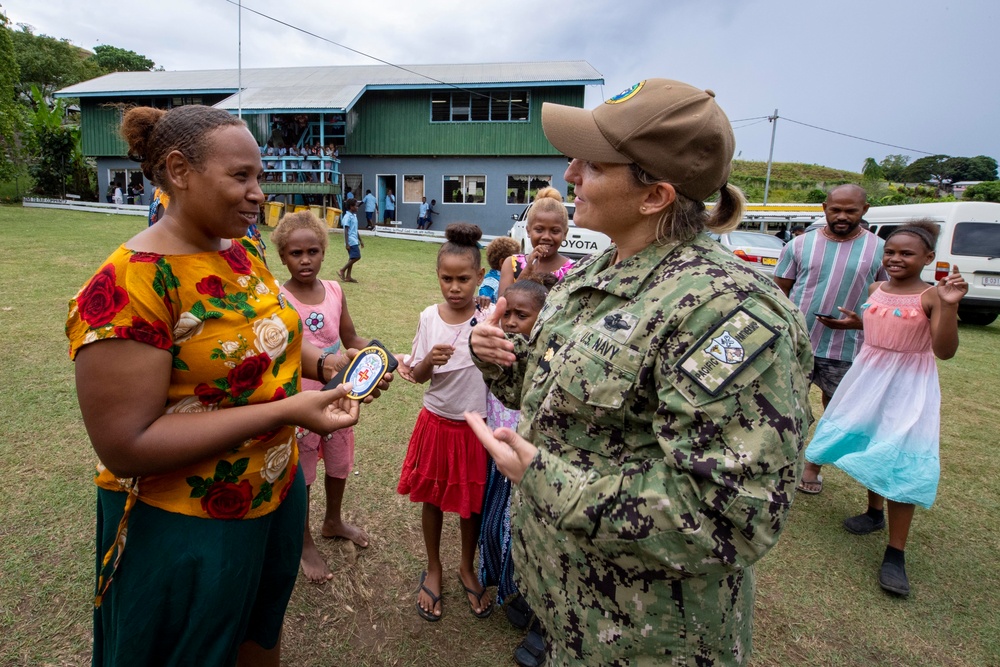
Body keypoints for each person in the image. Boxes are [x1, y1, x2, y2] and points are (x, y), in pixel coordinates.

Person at [465, 78, 813, 665]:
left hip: (646, 635)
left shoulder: (725, 311)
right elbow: (562, 394)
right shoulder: (596, 271)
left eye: (593, 164)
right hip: (569, 606)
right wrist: (498, 354)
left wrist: (544, 479)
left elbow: (727, 513)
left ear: (654, 196)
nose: (571, 172)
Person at [67, 104, 385, 666]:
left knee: (258, 633)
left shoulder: (241, 251)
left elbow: (268, 339)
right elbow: (125, 444)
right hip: (187, 524)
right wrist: (284, 414)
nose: (258, 193)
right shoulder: (126, 285)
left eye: (258, 177)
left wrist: (331, 366)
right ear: (180, 171)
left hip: (275, 495)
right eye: (241, 177)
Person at [804, 221, 966, 597]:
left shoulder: (931, 296)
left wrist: (950, 306)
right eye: (890, 252)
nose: (895, 259)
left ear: (928, 258)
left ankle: (896, 554)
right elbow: (884, 324)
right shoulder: (876, 289)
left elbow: (944, 349)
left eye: (906, 253)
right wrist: (855, 323)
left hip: (907, 383)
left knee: (900, 457)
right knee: (867, 445)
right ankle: (874, 513)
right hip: (867, 375)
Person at [397, 223, 493, 622]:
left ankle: (465, 566)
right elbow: (417, 377)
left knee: (471, 506)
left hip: (476, 428)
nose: (455, 287)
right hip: (437, 422)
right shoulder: (428, 317)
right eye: (446, 278)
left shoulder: (489, 319)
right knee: (433, 500)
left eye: (464, 279)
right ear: (437, 276)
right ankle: (434, 567)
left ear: (480, 277)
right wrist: (426, 362)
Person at [273, 211, 372, 584]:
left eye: (312, 251)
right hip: (300, 400)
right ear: (283, 256)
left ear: (323, 252)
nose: (305, 260)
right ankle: (304, 541)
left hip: (340, 396)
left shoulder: (334, 290)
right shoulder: (276, 298)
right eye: (296, 253)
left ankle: (333, 520)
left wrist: (377, 353)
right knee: (303, 473)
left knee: (339, 461)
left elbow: (351, 339)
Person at [773, 184, 888, 495]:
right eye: (835, 209)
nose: (841, 216)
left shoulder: (879, 249)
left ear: (864, 211)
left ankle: (813, 466)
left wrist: (859, 323)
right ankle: (777, 462)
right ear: (824, 208)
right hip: (798, 344)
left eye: (850, 211)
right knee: (785, 405)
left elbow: (888, 300)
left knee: (836, 410)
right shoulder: (799, 245)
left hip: (847, 348)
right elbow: (779, 291)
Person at [476, 274, 558, 667]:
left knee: (545, 542)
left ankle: (546, 624)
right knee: (510, 533)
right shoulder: (498, 352)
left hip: (542, 472)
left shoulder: (552, 356)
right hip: (502, 468)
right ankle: (524, 590)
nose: (509, 323)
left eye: (520, 316)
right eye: (506, 315)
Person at [497, 186, 575, 296]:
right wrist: (526, 272)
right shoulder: (512, 264)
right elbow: (503, 306)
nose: (546, 236)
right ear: (528, 231)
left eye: (555, 231)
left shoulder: (573, 270)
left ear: (565, 234)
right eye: (539, 230)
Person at [477, 236, 520, 309]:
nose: (519, 263)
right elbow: (483, 310)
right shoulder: (490, 284)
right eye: (516, 261)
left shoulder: (511, 279)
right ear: (503, 263)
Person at [339, 199, 363, 283]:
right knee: (357, 256)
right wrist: (347, 243)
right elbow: (346, 230)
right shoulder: (347, 217)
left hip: (354, 240)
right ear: (351, 207)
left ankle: (348, 276)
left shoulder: (353, 216)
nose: (357, 207)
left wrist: (360, 240)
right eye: (356, 206)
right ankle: (342, 270)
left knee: (352, 258)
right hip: (351, 241)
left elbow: (355, 229)